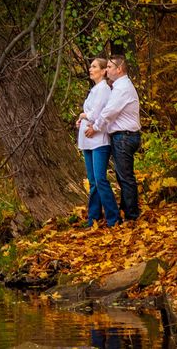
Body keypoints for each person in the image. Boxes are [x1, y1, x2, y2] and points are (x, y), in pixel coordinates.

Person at [87, 54, 141, 222]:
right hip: (123, 136)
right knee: (122, 176)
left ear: (119, 69)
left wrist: (95, 128)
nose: (107, 70)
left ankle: (132, 215)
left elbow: (109, 112)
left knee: (125, 177)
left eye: (109, 67)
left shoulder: (122, 88)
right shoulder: (119, 86)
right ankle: (126, 209)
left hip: (125, 136)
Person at [75, 58, 120, 228]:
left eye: (94, 67)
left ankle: (113, 218)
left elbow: (95, 115)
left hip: (99, 141)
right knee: (93, 181)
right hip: (87, 140)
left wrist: (83, 116)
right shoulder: (94, 90)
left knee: (100, 179)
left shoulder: (103, 90)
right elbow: (89, 113)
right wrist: (81, 120)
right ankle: (93, 218)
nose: (90, 69)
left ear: (103, 71)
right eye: (90, 66)